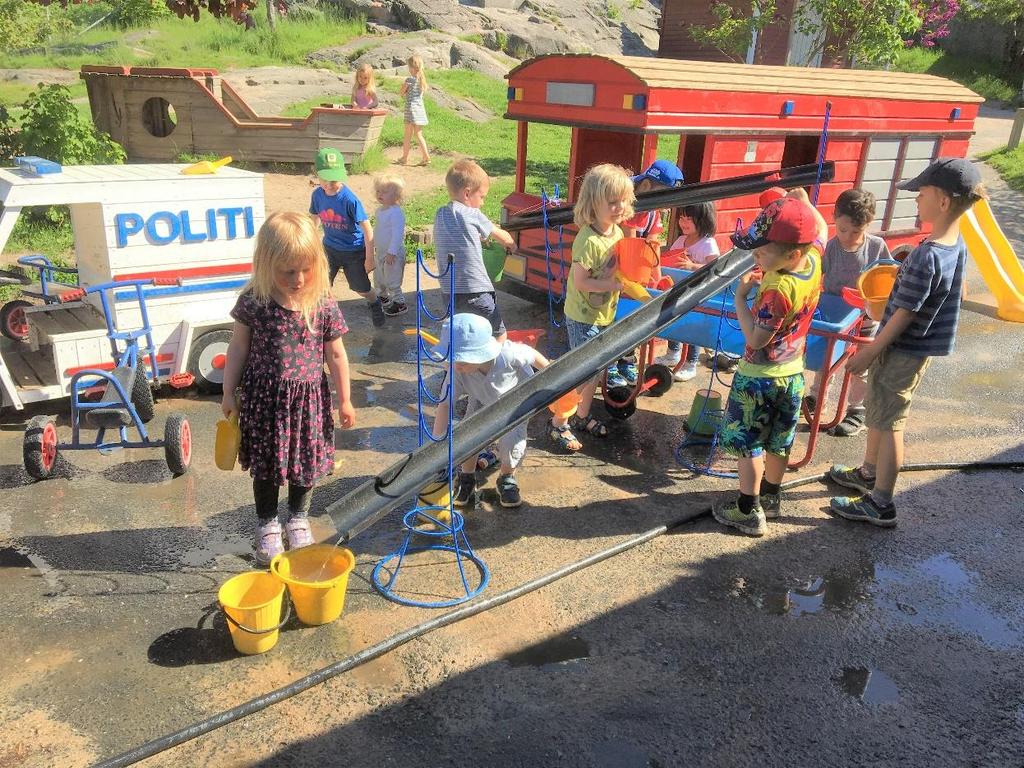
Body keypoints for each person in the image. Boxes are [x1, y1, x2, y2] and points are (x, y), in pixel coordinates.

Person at [829, 157, 986, 528]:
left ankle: (881, 502)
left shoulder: (927, 254)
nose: (916, 200)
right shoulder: (953, 245)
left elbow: (903, 314)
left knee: (890, 422)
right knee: (881, 411)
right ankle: (868, 472)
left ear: (943, 202)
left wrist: (870, 350)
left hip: (901, 348)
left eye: (922, 193)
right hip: (914, 349)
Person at [220, 212, 355, 565]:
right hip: (265, 402)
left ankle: (297, 519)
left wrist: (346, 400)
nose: (297, 279)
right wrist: (228, 391)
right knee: (266, 466)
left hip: (309, 402)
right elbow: (237, 348)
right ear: (266, 264)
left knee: (305, 464)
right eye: (287, 271)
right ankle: (266, 523)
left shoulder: (322, 303)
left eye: (305, 270)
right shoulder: (255, 301)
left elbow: (337, 355)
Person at [712, 197, 823, 536]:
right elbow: (819, 229)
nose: (755, 257)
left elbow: (756, 339)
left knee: (749, 442)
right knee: (779, 439)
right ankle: (772, 497)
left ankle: (748, 509)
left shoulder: (777, 288)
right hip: (792, 374)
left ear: (791, 255)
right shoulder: (814, 259)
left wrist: (740, 298)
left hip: (759, 378)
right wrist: (800, 202)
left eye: (762, 253)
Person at [548, 163, 634, 452]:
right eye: (612, 202)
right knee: (582, 372)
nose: (619, 207)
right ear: (592, 204)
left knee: (596, 369)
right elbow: (582, 281)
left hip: (603, 312)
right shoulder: (587, 240)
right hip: (583, 315)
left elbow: (618, 268)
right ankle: (559, 423)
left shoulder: (617, 233)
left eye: (623, 200)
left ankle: (581, 416)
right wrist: (614, 286)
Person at [432, 313, 550, 508]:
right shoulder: (457, 370)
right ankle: (467, 478)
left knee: (512, 442)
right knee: (469, 435)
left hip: (515, 401)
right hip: (480, 398)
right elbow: (444, 404)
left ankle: (507, 477)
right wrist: (437, 445)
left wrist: (551, 377)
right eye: (453, 360)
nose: (457, 366)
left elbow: (533, 354)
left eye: (462, 361)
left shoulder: (508, 354)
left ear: (482, 353)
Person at [807, 188, 891, 436]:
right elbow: (815, 276)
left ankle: (857, 410)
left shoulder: (876, 247)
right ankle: (815, 399)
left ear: (868, 225)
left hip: (864, 319)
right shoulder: (831, 247)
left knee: (860, 366)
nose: (848, 236)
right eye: (843, 230)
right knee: (825, 361)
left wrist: (874, 298)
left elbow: (886, 278)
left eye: (856, 232)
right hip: (833, 319)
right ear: (834, 218)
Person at [613, 160, 685, 387]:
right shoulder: (624, 201)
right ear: (645, 186)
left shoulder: (653, 211)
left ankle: (626, 361)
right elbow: (629, 243)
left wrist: (657, 282)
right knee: (614, 322)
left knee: (636, 316)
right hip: (610, 269)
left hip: (632, 271)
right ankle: (611, 365)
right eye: (664, 195)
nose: (666, 204)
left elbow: (652, 248)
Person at [433, 158, 515, 342]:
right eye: (482, 196)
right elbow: (504, 237)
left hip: (449, 292)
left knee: (463, 336)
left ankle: (462, 369)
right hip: (476, 290)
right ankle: (493, 369)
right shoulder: (472, 213)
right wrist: (511, 244)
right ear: (467, 193)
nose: (483, 203)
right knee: (498, 334)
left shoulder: (440, 214)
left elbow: (455, 237)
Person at [309, 147, 385, 327]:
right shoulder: (317, 195)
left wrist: (369, 259)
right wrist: (311, 245)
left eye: (333, 180)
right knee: (321, 284)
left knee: (361, 288)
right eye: (324, 179)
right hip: (329, 248)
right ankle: (324, 317)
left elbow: (367, 230)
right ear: (317, 174)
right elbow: (314, 220)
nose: (329, 184)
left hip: (353, 251)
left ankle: (375, 302)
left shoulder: (350, 200)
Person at [655, 201, 720, 381]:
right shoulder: (681, 240)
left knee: (692, 326)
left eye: (689, 218)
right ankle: (673, 352)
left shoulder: (708, 243)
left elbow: (715, 269)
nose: (683, 222)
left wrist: (692, 266)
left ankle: (691, 362)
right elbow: (672, 257)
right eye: (682, 217)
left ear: (703, 220)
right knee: (672, 320)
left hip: (697, 294)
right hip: (678, 290)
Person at [371, 173, 407, 316]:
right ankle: (383, 296)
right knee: (379, 276)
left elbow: (397, 234)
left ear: (396, 195)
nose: (380, 194)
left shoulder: (396, 213)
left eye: (385, 192)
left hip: (392, 253)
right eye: (378, 191)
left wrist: (392, 252)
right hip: (380, 251)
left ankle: (399, 302)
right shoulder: (379, 210)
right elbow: (379, 230)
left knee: (392, 279)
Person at [400, 55, 430, 166]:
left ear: (412, 68)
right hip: (420, 110)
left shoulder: (409, 80)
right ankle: (426, 156)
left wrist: (404, 87)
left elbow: (401, 93)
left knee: (408, 134)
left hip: (410, 109)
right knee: (418, 134)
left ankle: (404, 157)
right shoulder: (422, 80)